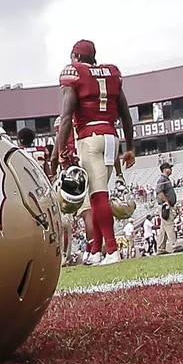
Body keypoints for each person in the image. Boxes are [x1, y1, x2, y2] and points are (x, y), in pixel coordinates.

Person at [52, 40, 133, 263]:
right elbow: (126, 115)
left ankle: (112, 249)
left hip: (90, 138)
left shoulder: (74, 73)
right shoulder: (112, 73)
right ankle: (97, 250)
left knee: (98, 197)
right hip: (111, 137)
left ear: (75, 57)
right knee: (97, 195)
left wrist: (60, 151)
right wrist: (131, 147)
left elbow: (67, 116)